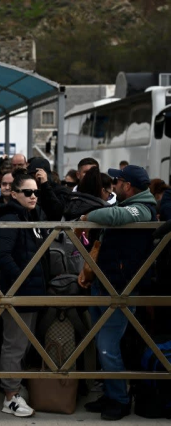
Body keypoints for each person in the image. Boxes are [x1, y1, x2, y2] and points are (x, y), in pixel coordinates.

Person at [80, 165, 157, 421]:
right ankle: (112, 394)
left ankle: (120, 400)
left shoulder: (142, 208)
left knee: (107, 346)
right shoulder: (130, 205)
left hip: (120, 288)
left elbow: (113, 217)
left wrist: (87, 216)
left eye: (118, 180)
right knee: (102, 343)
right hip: (105, 282)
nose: (114, 184)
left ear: (128, 186)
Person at [0, 171, 48, 418]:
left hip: (30, 291)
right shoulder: (11, 218)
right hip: (19, 292)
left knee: (22, 345)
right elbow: (1, 255)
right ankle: (11, 396)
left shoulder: (28, 216)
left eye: (36, 192)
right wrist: (21, 280)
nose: (33, 196)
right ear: (14, 194)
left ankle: (14, 388)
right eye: (28, 192)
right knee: (15, 344)